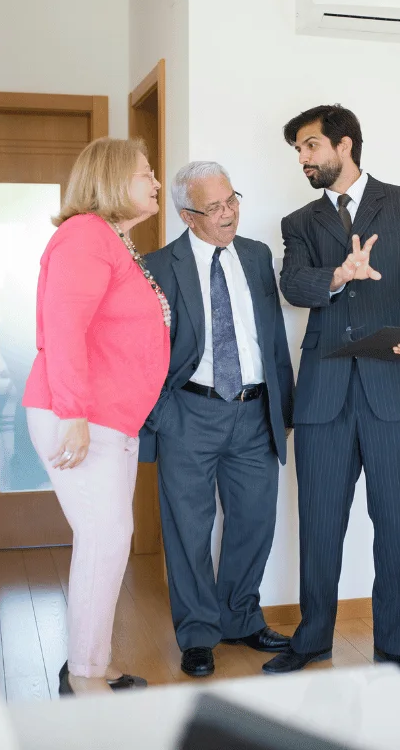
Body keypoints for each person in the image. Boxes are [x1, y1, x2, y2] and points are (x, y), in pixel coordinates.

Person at [262, 105, 400, 682]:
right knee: (319, 524)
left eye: (311, 146)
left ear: (345, 145)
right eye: (298, 150)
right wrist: (340, 275)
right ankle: (313, 637)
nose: (302, 158)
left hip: (396, 389)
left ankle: (395, 645)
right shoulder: (299, 223)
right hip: (323, 393)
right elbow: (293, 285)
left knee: (394, 522)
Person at [21, 137, 171, 696]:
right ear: (111, 182)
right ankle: (83, 678)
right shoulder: (85, 235)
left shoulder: (114, 241)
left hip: (112, 418)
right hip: (80, 414)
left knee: (108, 540)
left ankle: (91, 662)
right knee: (105, 539)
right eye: (145, 174)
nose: (156, 183)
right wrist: (76, 413)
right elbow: (64, 330)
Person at [140, 161, 295, 678]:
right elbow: (143, 352)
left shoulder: (255, 256)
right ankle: (199, 633)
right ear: (188, 215)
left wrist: (282, 407)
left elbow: (271, 339)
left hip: (253, 411)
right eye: (214, 207)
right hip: (189, 412)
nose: (228, 213)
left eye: (232, 200)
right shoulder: (159, 266)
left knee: (255, 519)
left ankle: (240, 618)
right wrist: (161, 414)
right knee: (188, 528)